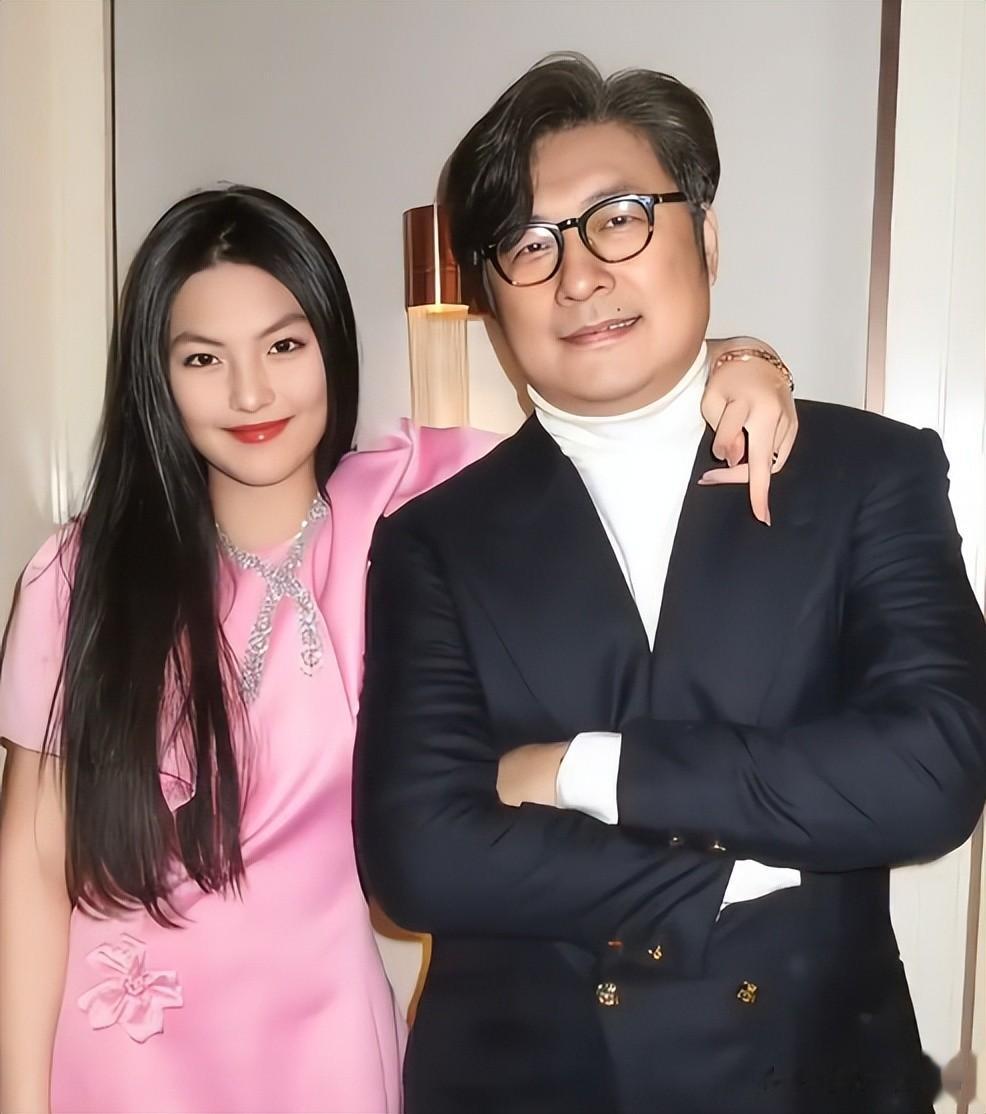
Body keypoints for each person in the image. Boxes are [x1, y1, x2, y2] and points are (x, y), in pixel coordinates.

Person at [0, 183, 794, 1114]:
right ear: (156, 377)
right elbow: (32, 864)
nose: (251, 393)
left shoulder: (415, 506)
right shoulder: (82, 575)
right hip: (120, 1058)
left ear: (332, 344)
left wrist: (745, 357)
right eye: (203, 358)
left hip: (326, 1051)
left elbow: (603, 408)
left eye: (284, 346)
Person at [354, 56, 986, 1114]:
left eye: (618, 219)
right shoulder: (433, 538)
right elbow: (420, 857)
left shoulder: (867, 473)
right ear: (490, 297)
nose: (577, 276)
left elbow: (932, 771)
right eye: (529, 244)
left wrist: (581, 771)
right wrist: (742, 874)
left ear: (707, 238)